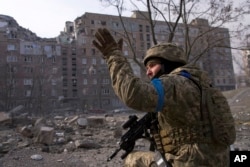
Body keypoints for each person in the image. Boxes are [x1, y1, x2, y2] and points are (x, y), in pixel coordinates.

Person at [93, 28, 234, 167]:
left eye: (152, 65)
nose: (148, 72)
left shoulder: (174, 84)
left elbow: (132, 94)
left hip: (190, 161)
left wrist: (113, 55)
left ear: (168, 64)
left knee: (132, 160)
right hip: (219, 159)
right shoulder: (204, 86)